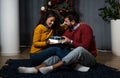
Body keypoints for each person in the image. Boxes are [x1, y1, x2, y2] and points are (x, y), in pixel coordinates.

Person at [18, 11, 97, 74]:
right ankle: (36, 69)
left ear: (73, 22)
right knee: (57, 52)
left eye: (66, 21)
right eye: (51, 20)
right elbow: (35, 43)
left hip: (87, 57)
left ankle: (63, 66)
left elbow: (85, 47)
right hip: (36, 54)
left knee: (72, 49)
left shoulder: (85, 28)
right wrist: (48, 43)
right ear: (46, 18)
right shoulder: (40, 28)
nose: (64, 23)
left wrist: (70, 40)